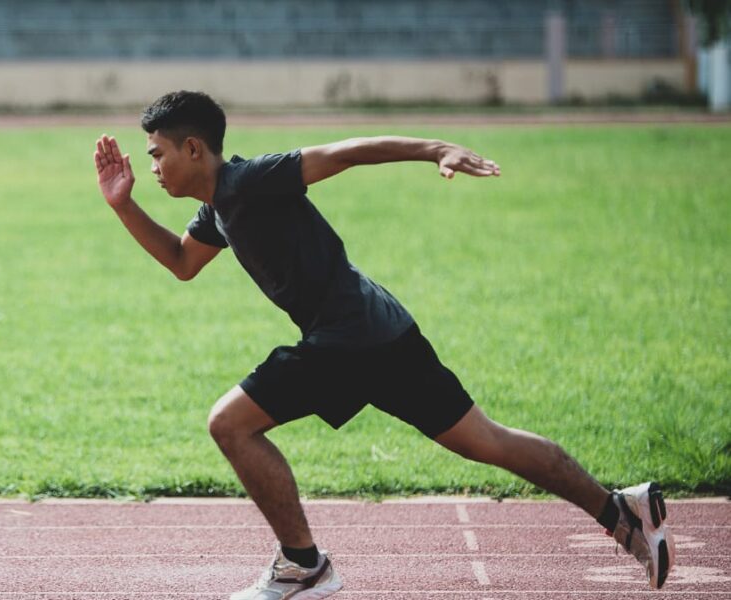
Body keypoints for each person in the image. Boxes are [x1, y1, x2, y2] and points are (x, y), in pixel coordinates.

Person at [92, 90, 674, 599]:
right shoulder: (218, 210)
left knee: (230, 424)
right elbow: (180, 263)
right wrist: (122, 205)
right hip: (382, 331)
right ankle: (617, 508)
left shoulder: (252, 180)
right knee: (486, 441)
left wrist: (434, 149)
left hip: (348, 339)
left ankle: (302, 565)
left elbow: (345, 152)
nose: (154, 168)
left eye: (157, 154)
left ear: (193, 148)